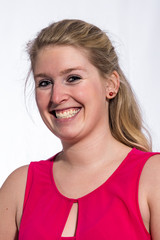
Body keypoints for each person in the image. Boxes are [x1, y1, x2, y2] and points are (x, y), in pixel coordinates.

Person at [0, 19, 160, 240]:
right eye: (45, 83)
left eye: (73, 78)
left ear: (111, 85)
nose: (57, 97)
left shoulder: (153, 178)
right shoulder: (18, 187)